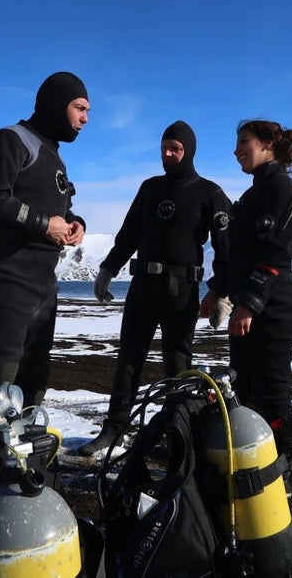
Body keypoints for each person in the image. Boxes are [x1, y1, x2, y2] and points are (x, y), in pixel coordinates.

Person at [79, 120, 232, 456]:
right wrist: (107, 270)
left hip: (182, 291)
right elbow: (128, 235)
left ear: (188, 151)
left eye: (175, 148)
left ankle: (179, 435)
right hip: (143, 286)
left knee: (178, 364)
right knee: (129, 359)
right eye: (164, 147)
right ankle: (114, 430)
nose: (168, 153)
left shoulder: (210, 193)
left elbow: (226, 247)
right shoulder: (149, 188)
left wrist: (221, 291)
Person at [0, 71, 90, 423]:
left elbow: (54, 209)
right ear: (56, 104)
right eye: (79, 108)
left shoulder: (55, 158)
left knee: (33, 377)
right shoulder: (10, 141)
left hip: (43, 283)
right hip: (7, 276)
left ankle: (16, 454)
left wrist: (75, 223)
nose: (85, 118)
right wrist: (45, 225)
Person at [201, 119, 292, 462]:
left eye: (243, 142)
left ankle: (281, 465)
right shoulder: (249, 198)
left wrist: (248, 304)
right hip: (246, 308)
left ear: (267, 145)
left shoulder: (285, 191)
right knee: (243, 388)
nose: (236, 151)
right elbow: (233, 254)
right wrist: (217, 291)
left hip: (274, 310)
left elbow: (276, 253)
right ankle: (252, 459)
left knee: (273, 391)